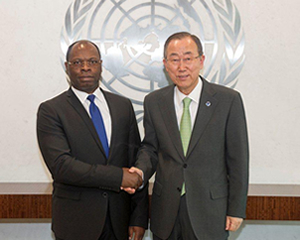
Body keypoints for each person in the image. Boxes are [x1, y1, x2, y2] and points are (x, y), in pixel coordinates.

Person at [128, 32, 249, 240]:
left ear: (201, 60)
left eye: (188, 58)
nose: (181, 67)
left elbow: (238, 160)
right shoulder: (154, 102)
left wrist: (236, 209)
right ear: (165, 64)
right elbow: (150, 148)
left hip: (210, 212)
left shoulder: (228, 101)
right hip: (166, 211)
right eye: (174, 59)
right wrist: (139, 171)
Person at [37, 40, 148, 240]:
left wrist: (139, 218)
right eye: (77, 62)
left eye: (92, 61)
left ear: (101, 65)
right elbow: (62, 167)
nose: (86, 67)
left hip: (119, 222)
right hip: (76, 223)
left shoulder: (122, 106)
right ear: (66, 67)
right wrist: (117, 177)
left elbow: (135, 161)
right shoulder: (51, 111)